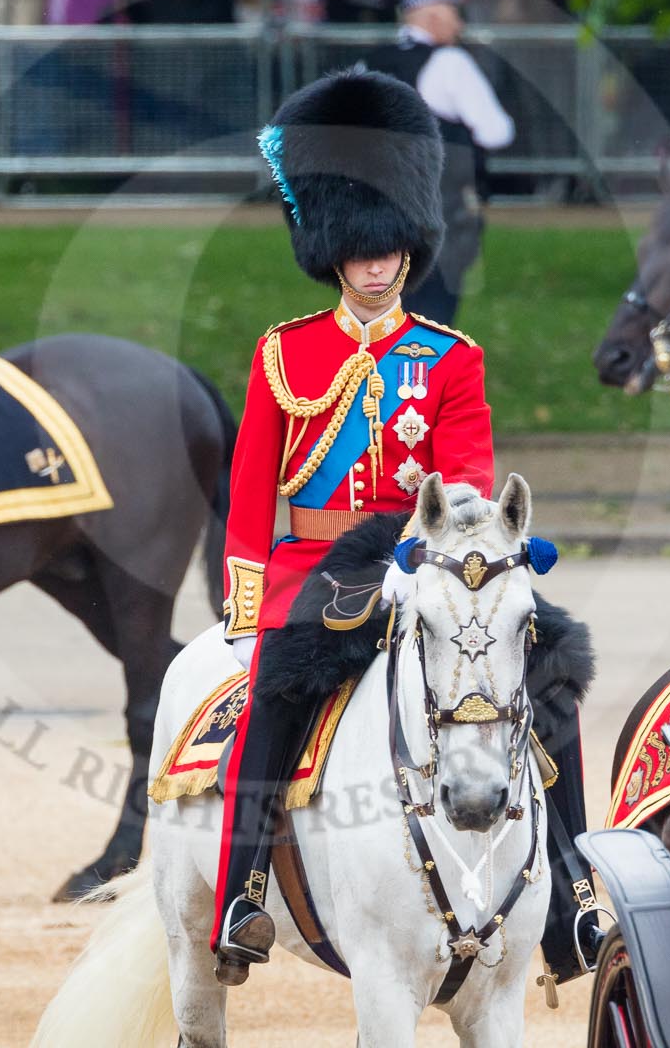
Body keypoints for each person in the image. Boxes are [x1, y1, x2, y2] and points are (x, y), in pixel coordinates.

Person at [212, 69, 601, 988]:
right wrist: (247, 598)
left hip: (431, 559)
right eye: (362, 251)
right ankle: (242, 889)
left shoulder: (448, 357)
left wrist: (419, 556)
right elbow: (247, 486)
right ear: (333, 251)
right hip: (314, 559)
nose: (379, 266)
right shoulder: (285, 351)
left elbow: (466, 476)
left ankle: (574, 894)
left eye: (392, 250)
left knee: (549, 667)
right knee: (273, 696)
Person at [368, 0, 514, 326]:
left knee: (375, 324)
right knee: (429, 325)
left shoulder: (369, 61)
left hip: (369, 216)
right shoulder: (449, 61)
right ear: (433, 15)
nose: (460, 27)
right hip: (435, 212)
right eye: (455, 15)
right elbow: (497, 131)